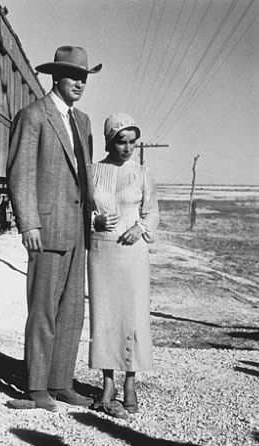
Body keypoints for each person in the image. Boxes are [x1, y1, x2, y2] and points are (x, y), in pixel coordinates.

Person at [7, 46, 101, 412]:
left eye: (84, 77)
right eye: (73, 76)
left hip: (78, 230)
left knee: (72, 310)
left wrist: (94, 215)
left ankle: (61, 383)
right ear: (55, 78)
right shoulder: (33, 116)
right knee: (43, 309)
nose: (80, 83)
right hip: (46, 228)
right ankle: (35, 388)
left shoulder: (84, 122)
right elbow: (20, 173)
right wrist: (28, 221)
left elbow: (85, 174)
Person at [88, 113, 159, 418]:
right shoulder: (92, 172)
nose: (128, 147)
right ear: (109, 141)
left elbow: (153, 211)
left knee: (132, 317)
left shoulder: (142, 173)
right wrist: (96, 219)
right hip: (102, 252)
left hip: (133, 255)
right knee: (104, 317)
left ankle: (130, 383)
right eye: (121, 141)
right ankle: (107, 384)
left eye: (133, 142)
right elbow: (81, 210)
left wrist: (141, 228)